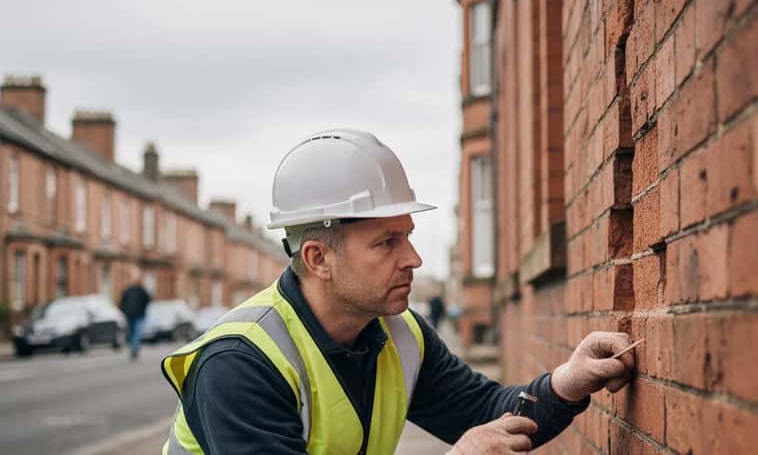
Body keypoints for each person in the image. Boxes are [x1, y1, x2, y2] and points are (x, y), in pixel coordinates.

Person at [160, 129, 635, 455]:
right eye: (387, 242)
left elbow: (487, 414)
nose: (413, 258)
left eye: (407, 235)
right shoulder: (239, 363)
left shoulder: (398, 334)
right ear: (317, 259)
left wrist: (568, 382)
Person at [120, 272, 151, 360]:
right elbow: (149, 299)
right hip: (137, 315)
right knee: (136, 333)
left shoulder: (128, 290)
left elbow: (121, 302)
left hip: (130, 315)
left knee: (133, 333)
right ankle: (134, 349)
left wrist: (124, 311)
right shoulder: (141, 290)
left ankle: (134, 349)